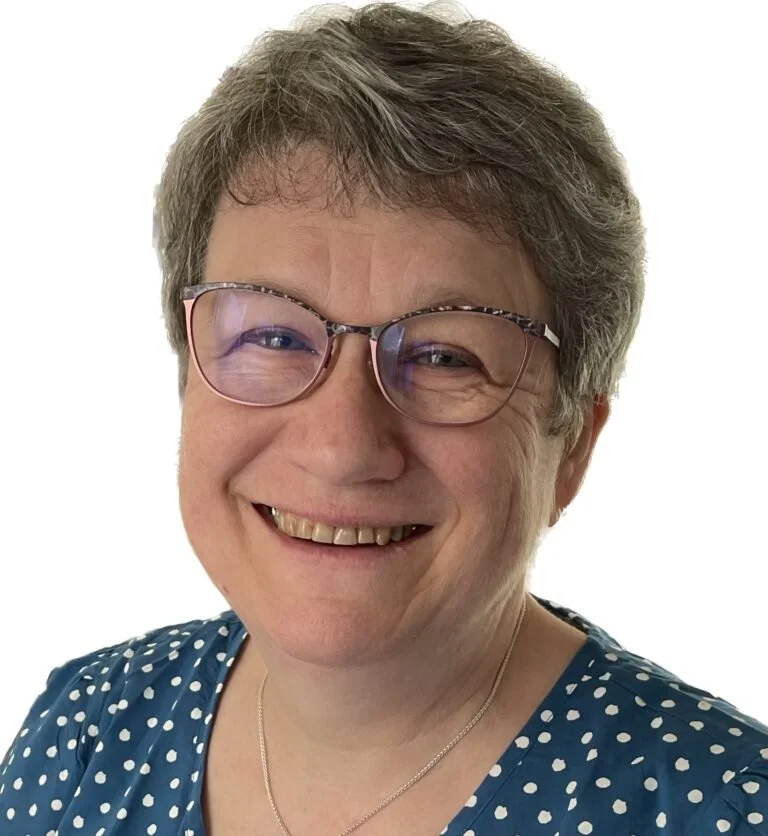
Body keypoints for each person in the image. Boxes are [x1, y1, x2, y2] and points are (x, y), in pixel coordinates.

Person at [2, 2, 766, 834]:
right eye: (272, 334)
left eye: (444, 356)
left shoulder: (726, 812)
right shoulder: (86, 734)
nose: (341, 447)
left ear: (573, 442)